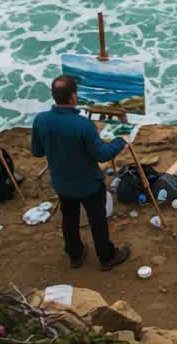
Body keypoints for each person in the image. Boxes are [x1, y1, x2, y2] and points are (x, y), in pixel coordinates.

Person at [31, 75, 131, 270]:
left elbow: (37, 151)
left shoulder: (41, 120)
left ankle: (75, 255)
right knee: (97, 221)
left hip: (61, 182)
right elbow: (102, 155)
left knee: (69, 218)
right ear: (73, 97)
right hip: (88, 184)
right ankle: (106, 257)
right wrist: (121, 140)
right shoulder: (82, 124)